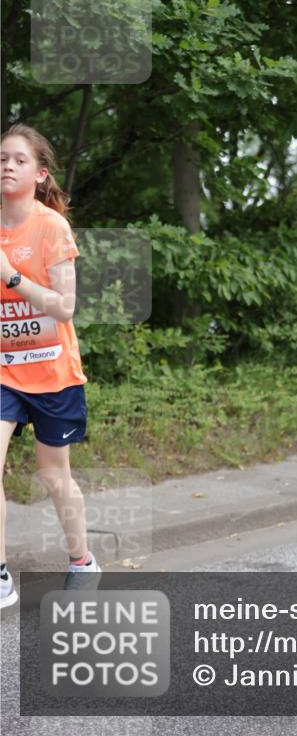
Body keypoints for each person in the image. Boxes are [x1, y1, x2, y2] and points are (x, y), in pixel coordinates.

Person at [0, 124, 100, 609]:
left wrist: (12, 275)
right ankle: (0, 575)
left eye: (18, 159)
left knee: (53, 476)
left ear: (39, 174)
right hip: (4, 371)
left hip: (52, 370)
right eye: (1, 158)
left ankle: (82, 560)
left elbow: (65, 307)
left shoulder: (51, 227)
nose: (6, 165)